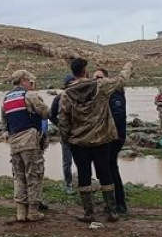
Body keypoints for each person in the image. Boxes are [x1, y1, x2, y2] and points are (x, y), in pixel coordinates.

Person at [59, 58, 133, 223]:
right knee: (105, 173)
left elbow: (63, 120)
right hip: (101, 140)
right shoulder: (100, 86)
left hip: (78, 143)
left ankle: (89, 213)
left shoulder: (66, 94)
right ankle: (112, 211)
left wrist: (66, 140)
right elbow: (121, 79)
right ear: (86, 71)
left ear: (73, 73)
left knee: (84, 176)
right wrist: (128, 65)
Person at [0, 70, 49, 223]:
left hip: (14, 142)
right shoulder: (30, 95)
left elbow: (4, 124)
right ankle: (33, 212)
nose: (30, 82)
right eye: (28, 80)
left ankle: (21, 212)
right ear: (23, 81)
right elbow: (45, 112)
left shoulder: (6, 99)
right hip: (30, 141)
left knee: (19, 176)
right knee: (34, 175)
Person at [95, 68, 128, 214]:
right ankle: (113, 201)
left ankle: (119, 203)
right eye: (95, 77)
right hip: (106, 137)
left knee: (111, 168)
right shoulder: (103, 93)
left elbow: (118, 116)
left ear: (107, 78)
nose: (97, 80)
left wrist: (116, 135)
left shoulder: (115, 94)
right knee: (108, 168)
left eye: (100, 77)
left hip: (114, 137)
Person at [48, 74, 75, 194]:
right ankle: (68, 184)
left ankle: (83, 182)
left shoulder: (80, 96)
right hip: (67, 135)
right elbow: (51, 115)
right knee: (67, 161)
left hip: (79, 134)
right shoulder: (58, 98)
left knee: (81, 161)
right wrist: (60, 125)